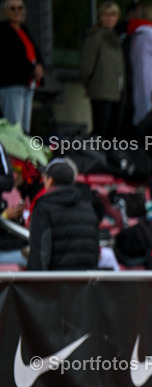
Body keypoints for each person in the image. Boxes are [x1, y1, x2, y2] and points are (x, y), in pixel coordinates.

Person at [26, 159, 98, 271]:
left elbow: (40, 254)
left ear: (50, 181)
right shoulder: (88, 208)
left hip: (56, 282)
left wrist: (34, 284)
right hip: (84, 283)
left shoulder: (43, 209)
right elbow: (95, 250)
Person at [80, 2, 125, 139]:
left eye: (113, 15)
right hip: (101, 91)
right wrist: (89, 85)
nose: (109, 18)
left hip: (116, 93)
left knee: (112, 135)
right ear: (100, 17)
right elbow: (86, 66)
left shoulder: (116, 39)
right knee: (100, 132)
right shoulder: (95, 38)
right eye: (106, 15)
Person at [0, 0, 44, 133]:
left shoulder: (23, 29)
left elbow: (34, 50)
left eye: (19, 8)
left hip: (27, 82)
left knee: (25, 128)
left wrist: (40, 66)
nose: (16, 11)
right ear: (5, 11)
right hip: (12, 82)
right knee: (14, 126)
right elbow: (11, 54)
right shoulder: (3, 30)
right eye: (12, 8)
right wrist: (33, 67)